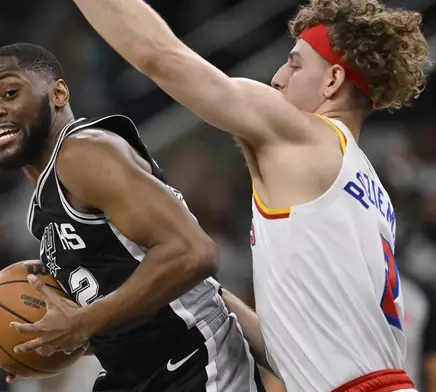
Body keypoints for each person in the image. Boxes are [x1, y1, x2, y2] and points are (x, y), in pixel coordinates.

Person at [65, 0, 431, 390]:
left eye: (294, 63)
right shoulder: (367, 189)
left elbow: (158, 55)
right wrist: (200, 296)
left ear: (332, 80)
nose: (277, 78)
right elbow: (291, 353)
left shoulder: (306, 137)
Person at [0, 42, 264, 392]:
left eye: (9, 93)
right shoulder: (43, 207)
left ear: (58, 94)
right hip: (139, 374)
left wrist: (83, 323)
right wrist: (25, 338)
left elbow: (193, 253)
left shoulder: (82, 154)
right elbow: (122, 317)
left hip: (193, 364)